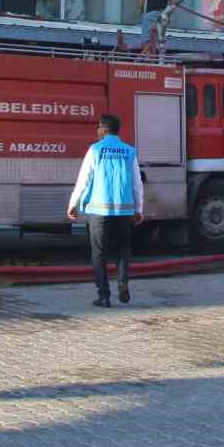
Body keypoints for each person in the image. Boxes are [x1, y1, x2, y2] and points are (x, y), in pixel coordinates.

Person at [66, 114, 144, 307]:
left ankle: (104, 296)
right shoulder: (129, 151)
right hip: (124, 210)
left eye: (98, 127)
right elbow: (137, 184)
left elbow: (84, 179)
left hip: (99, 210)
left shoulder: (95, 149)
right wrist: (139, 208)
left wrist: (73, 203)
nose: (97, 130)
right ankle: (123, 283)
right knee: (123, 249)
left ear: (105, 129)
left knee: (99, 252)